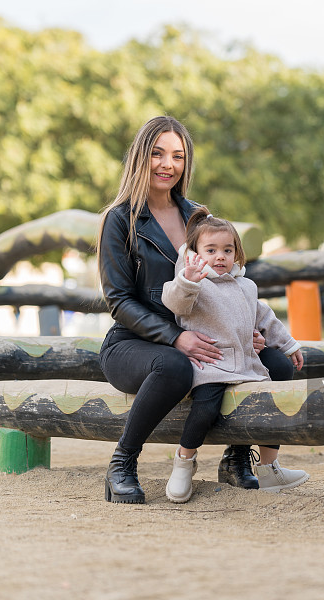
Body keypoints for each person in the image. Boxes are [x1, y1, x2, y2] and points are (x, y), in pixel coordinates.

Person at [98, 115, 295, 504]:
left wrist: (241, 328)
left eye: (177, 156)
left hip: (204, 339)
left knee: (278, 364)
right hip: (135, 344)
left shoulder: (198, 217)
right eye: (157, 153)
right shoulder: (119, 220)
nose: (167, 164)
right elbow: (119, 301)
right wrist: (176, 337)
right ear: (141, 157)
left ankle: (237, 459)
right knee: (174, 366)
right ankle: (122, 463)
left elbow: (229, 284)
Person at [161, 207, 310, 502]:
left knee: (272, 399)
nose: (220, 257)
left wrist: (289, 345)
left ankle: (269, 468)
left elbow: (265, 318)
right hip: (211, 365)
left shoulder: (246, 285)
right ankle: (184, 461)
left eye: (227, 250)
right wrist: (187, 278)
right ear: (194, 253)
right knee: (205, 409)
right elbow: (174, 302)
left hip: (246, 364)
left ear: (237, 253)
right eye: (211, 250)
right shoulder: (194, 285)